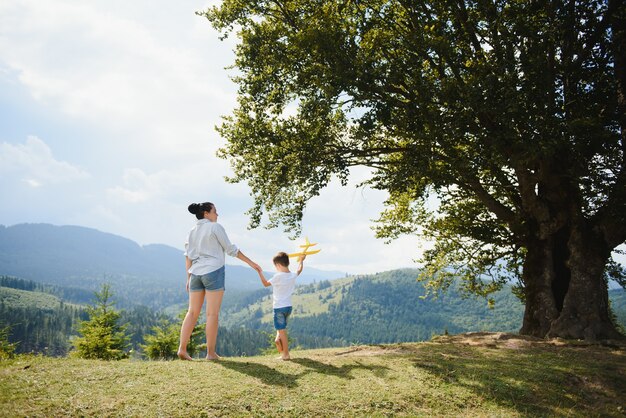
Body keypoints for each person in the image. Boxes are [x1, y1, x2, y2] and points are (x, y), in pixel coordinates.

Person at [178, 201, 262, 361]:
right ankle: (210, 353)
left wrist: (188, 278)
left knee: (192, 312)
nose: (217, 214)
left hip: (195, 273)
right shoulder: (215, 227)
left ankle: (182, 349)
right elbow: (231, 250)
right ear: (206, 213)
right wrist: (251, 263)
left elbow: (188, 256)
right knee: (212, 314)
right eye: (215, 211)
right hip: (213, 271)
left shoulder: (191, 231)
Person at [257, 251, 305, 360]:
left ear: (278, 265)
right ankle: (278, 341)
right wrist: (301, 260)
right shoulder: (292, 275)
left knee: (282, 331)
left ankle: (286, 354)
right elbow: (299, 270)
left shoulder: (278, 276)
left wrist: (259, 272)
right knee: (281, 329)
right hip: (288, 307)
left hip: (279, 308)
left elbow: (265, 284)